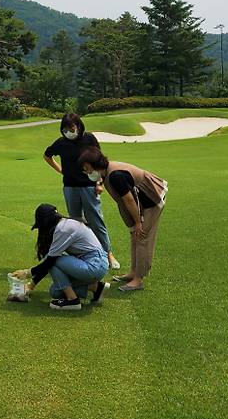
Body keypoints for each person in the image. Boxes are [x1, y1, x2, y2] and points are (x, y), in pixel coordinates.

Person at [78, 146, 167, 293]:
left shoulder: (115, 176)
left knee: (142, 237)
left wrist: (138, 222)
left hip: (151, 199)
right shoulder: (105, 173)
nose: (87, 173)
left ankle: (138, 279)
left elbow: (129, 200)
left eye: (88, 169)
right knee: (134, 236)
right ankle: (133, 272)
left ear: (96, 164)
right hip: (141, 201)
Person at [43, 112, 120, 270]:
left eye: (71, 127)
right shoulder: (61, 143)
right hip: (70, 187)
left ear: (78, 125)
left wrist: (99, 183)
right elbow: (47, 155)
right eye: (65, 129)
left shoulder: (89, 139)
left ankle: (108, 253)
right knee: (76, 222)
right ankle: (84, 254)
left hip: (88, 186)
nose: (68, 131)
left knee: (96, 220)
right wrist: (60, 170)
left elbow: (98, 161)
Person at [12, 204, 110, 311]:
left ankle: (72, 301)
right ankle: (96, 288)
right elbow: (49, 262)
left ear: (46, 222)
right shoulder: (63, 224)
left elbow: (50, 261)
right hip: (94, 264)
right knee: (55, 291)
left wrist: (27, 273)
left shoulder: (62, 229)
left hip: (94, 265)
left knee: (54, 260)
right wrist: (31, 285)